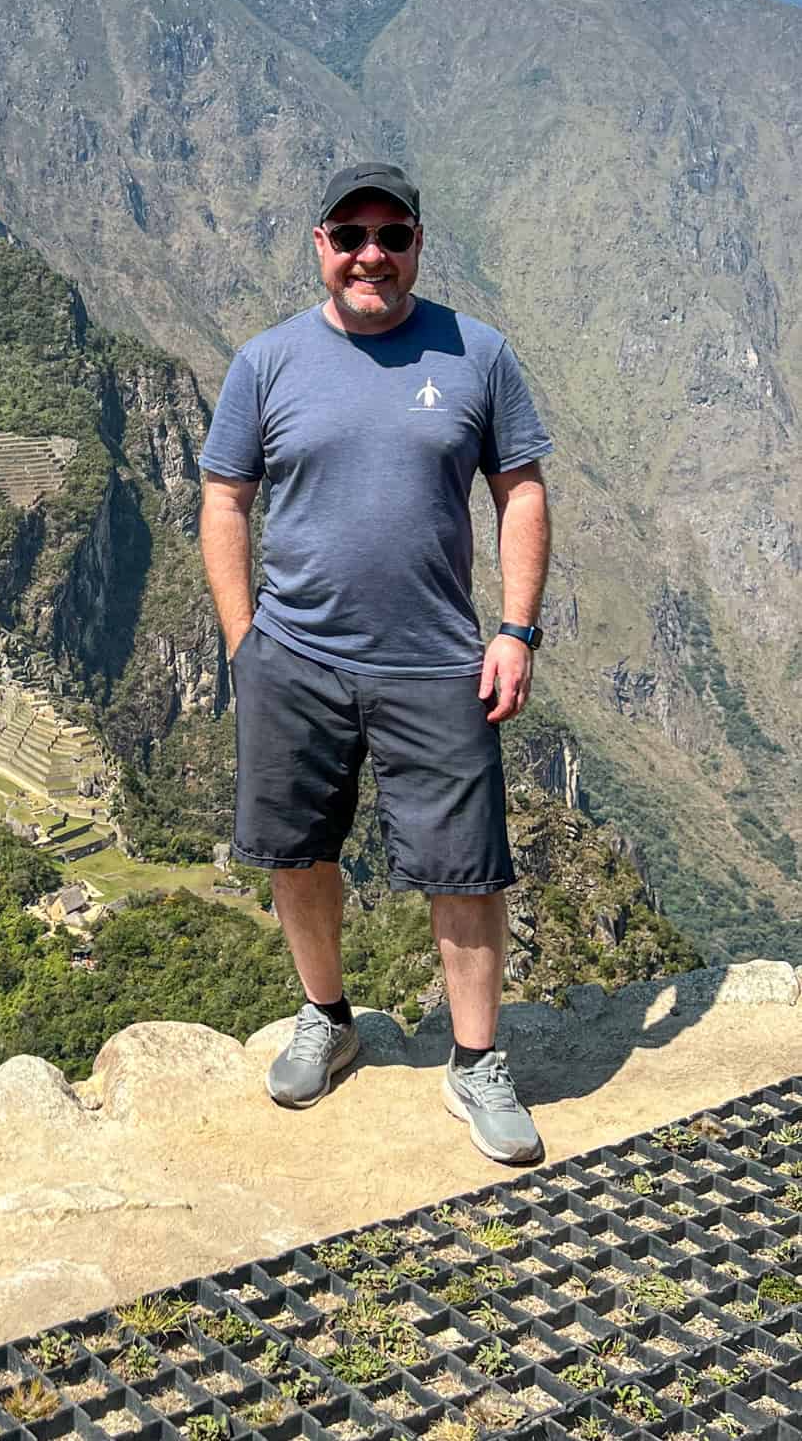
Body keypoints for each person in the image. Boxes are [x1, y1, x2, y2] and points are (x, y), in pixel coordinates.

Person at [198, 162, 553, 1164]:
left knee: (465, 864)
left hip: (439, 659)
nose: (371, 254)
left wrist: (515, 630)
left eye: (391, 235)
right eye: (350, 234)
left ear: (417, 244)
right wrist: (244, 642)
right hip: (296, 656)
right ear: (320, 243)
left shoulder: (475, 353)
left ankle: (476, 1059)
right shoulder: (267, 363)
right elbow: (225, 498)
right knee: (298, 848)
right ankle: (327, 1015)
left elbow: (520, 490)